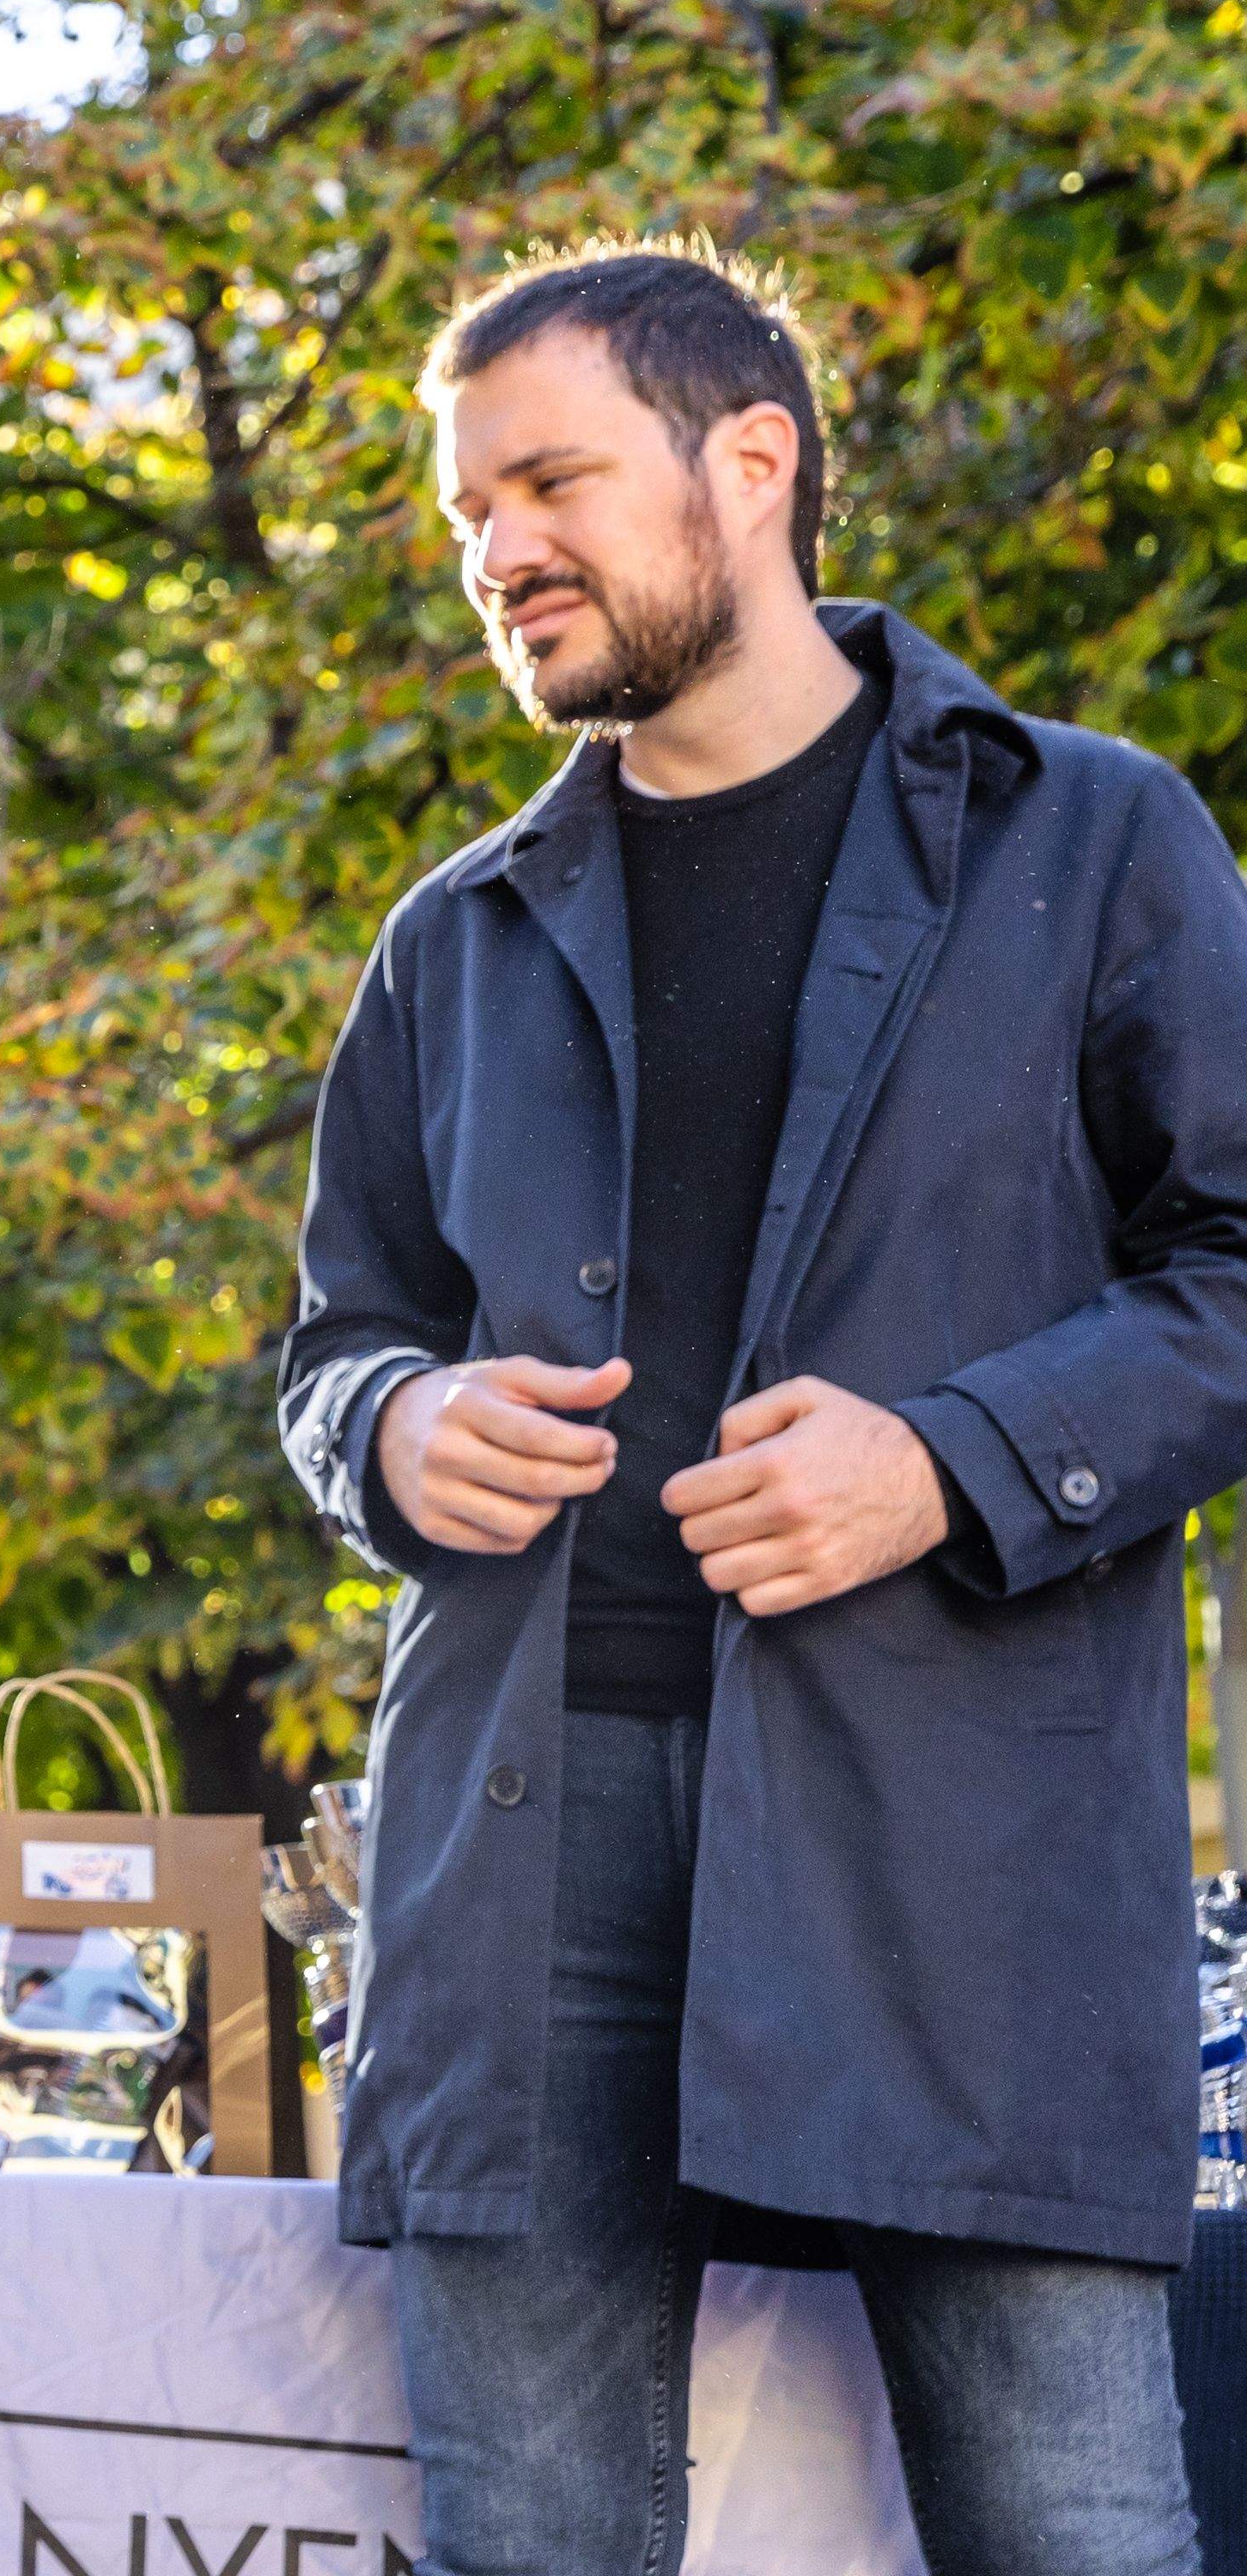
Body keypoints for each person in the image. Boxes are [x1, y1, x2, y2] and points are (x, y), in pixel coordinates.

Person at [278, 243, 1247, 2576]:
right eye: (463, 507)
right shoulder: (454, 938)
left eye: (549, 480)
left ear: (753, 462)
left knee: (1076, 2534)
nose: (497, 545)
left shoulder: (1097, 839)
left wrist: (950, 1462)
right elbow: (332, 1355)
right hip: (517, 1861)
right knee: (533, 2545)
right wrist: (399, 1431)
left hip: (962, 1841)